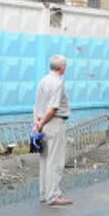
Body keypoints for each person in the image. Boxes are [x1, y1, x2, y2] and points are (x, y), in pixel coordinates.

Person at [33, 55, 73, 206]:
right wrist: (42, 122)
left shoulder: (43, 81)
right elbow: (53, 108)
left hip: (42, 124)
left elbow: (37, 105)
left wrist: (36, 124)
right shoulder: (58, 83)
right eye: (65, 65)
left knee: (44, 159)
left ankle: (44, 193)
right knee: (55, 160)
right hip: (54, 123)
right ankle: (53, 196)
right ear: (61, 67)